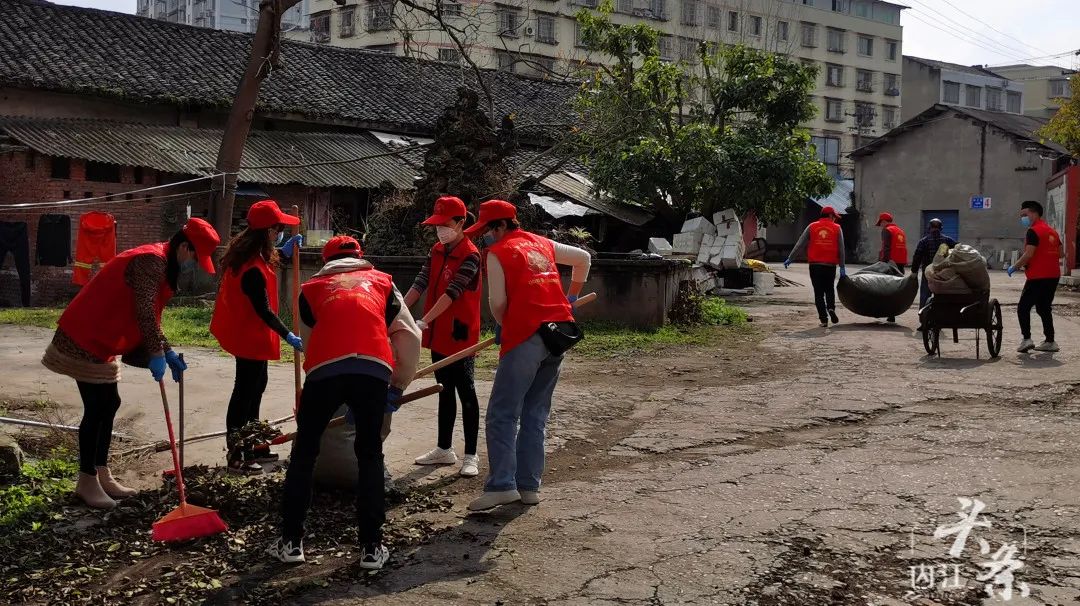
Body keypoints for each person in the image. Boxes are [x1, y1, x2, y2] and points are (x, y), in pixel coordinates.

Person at [41, 218, 220, 509]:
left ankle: (101, 473)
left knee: (108, 403)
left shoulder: (159, 260)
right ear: (185, 247)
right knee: (98, 405)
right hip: (87, 335)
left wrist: (168, 352)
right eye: (195, 257)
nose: (193, 264)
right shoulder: (151, 261)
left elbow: (153, 317)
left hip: (103, 337)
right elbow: (144, 312)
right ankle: (86, 481)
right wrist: (157, 354)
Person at [270, 236, 420, 568]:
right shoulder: (382, 282)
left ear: (325, 260)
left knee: (305, 454)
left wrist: (318, 396)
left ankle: (291, 543)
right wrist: (397, 385)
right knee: (369, 455)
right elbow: (409, 336)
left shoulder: (311, 289)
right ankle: (371, 548)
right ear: (359, 256)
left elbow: (313, 349)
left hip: (325, 371)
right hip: (373, 369)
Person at [464, 200, 591, 512]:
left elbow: (497, 304)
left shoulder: (497, 253)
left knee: (502, 413)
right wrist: (569, 298)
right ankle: (529, 486)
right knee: (535, 413)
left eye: (489, 230)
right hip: (557, 334)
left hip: (525, 335)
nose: (486, 237)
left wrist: (504, 325)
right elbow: (583, 258)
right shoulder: (541, 242)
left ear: (503, 225)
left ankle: (501, 486)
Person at [210, 200, 305, 472]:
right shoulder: (251, 268)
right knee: (245, 393)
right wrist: (289, 335)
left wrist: (285, 253)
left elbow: (269, 265)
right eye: (278, 229)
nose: (280, 233)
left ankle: (254, 445)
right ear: (268, 232)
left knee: (256, 386)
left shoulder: (256, 256)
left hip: (252, 335)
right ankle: (237, 454)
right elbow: (263, 310)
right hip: (248, 336)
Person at [403, 196, 483, 477]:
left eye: (445, 224)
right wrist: (399, 310)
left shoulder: (471, 254)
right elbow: (421, 282)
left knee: (466, 392)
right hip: (438, 333)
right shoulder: (436, 250)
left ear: (461, 223)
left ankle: (471, 455)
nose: (440, 230)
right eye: (436, 225)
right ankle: (444, 449)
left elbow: (453, 293)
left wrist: (424, 320)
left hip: (460, 334)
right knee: (443, 389)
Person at [1007, 200, 1063, 353]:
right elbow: (1062, 253)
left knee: (1023, 308)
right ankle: (1050, 341)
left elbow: (1029, 254)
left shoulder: (1034, 231)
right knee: (1043, 308)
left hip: (1038, 276)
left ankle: (1026, 339)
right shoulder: (1052, 231)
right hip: (1053, 275)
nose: (1023, 218)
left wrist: (1015, 266)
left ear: (1034, 213)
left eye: (1024, 215)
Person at [783, 206, 846, 328]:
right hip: (830, 265)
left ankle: (823, 320)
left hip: (815, 265)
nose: (834, 220)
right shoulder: (837, 228)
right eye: (834, 217)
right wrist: (842, 266)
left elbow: (800, 243)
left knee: (818, 293)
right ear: (831, 216)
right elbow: (841, 249)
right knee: (829, 289)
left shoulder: (812, 226)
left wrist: (790, 258)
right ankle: (831, 308)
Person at [911, 218, 958, 317]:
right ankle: (940, 318)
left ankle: (923, 320)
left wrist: (914, 271)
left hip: (928, 273)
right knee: (941, 295)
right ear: (941, 228)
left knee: (925, 295)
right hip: (943, 273)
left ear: (929, 228)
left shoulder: (924, 241)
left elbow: (917, 257)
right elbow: (958, 249)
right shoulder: (947, 240)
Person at [877, 212, 908, 322]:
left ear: (884, 221)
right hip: (901, 264)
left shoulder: (887, 230)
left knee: (887, 289)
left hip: (890, 263)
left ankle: (890, 314)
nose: (880, 225)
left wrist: (882, 262)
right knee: (897, 290)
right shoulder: (900, 231)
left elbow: (886, 247)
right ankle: (893, 313)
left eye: (880, 223)